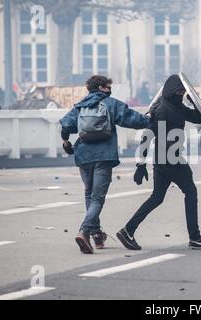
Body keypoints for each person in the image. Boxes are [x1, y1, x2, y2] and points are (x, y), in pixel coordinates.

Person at [116, 74, 201, 251]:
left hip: (166, 158)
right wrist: (140, 165)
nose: (181, 94)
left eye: (183, 91)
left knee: (157, 197)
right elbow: (147, 136)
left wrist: (193, 100)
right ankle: (195, 237)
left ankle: (128, 230)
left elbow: (199, 118)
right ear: (171, 91)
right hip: (171, 159)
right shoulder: (162, 110)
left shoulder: (177, 106)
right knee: (190, 192)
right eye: (179, 91)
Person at [59, 75, 149, 254]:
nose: (110, 88)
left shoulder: (80, 106)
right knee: (98, 198)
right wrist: (149, 118)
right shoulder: (111, 104)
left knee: (89, 194)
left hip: (83, 155)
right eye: (108, 86)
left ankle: (96, 235)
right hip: (104, 156)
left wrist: (66, 142)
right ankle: (84, 232)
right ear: (102, 88)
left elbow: (65, 126)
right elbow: (135, 120)